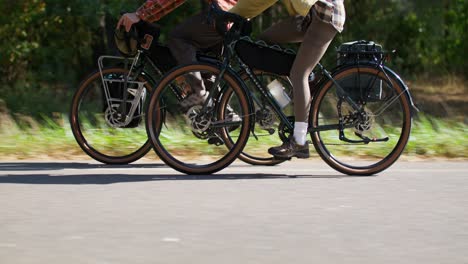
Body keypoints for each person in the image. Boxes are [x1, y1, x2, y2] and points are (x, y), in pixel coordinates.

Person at [228, 0, 346, 159]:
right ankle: (282, 100)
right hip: (309, 15)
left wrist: (231, 15)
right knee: (264, 42)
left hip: (326, 14)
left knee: (299, 74)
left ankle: (299, 141)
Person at [117, 0, 238, 108]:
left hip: (221, 14)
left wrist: (140, 14)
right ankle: (224, 115)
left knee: (178, 38)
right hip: (235, 15)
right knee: (203, 69)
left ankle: (198, 92)